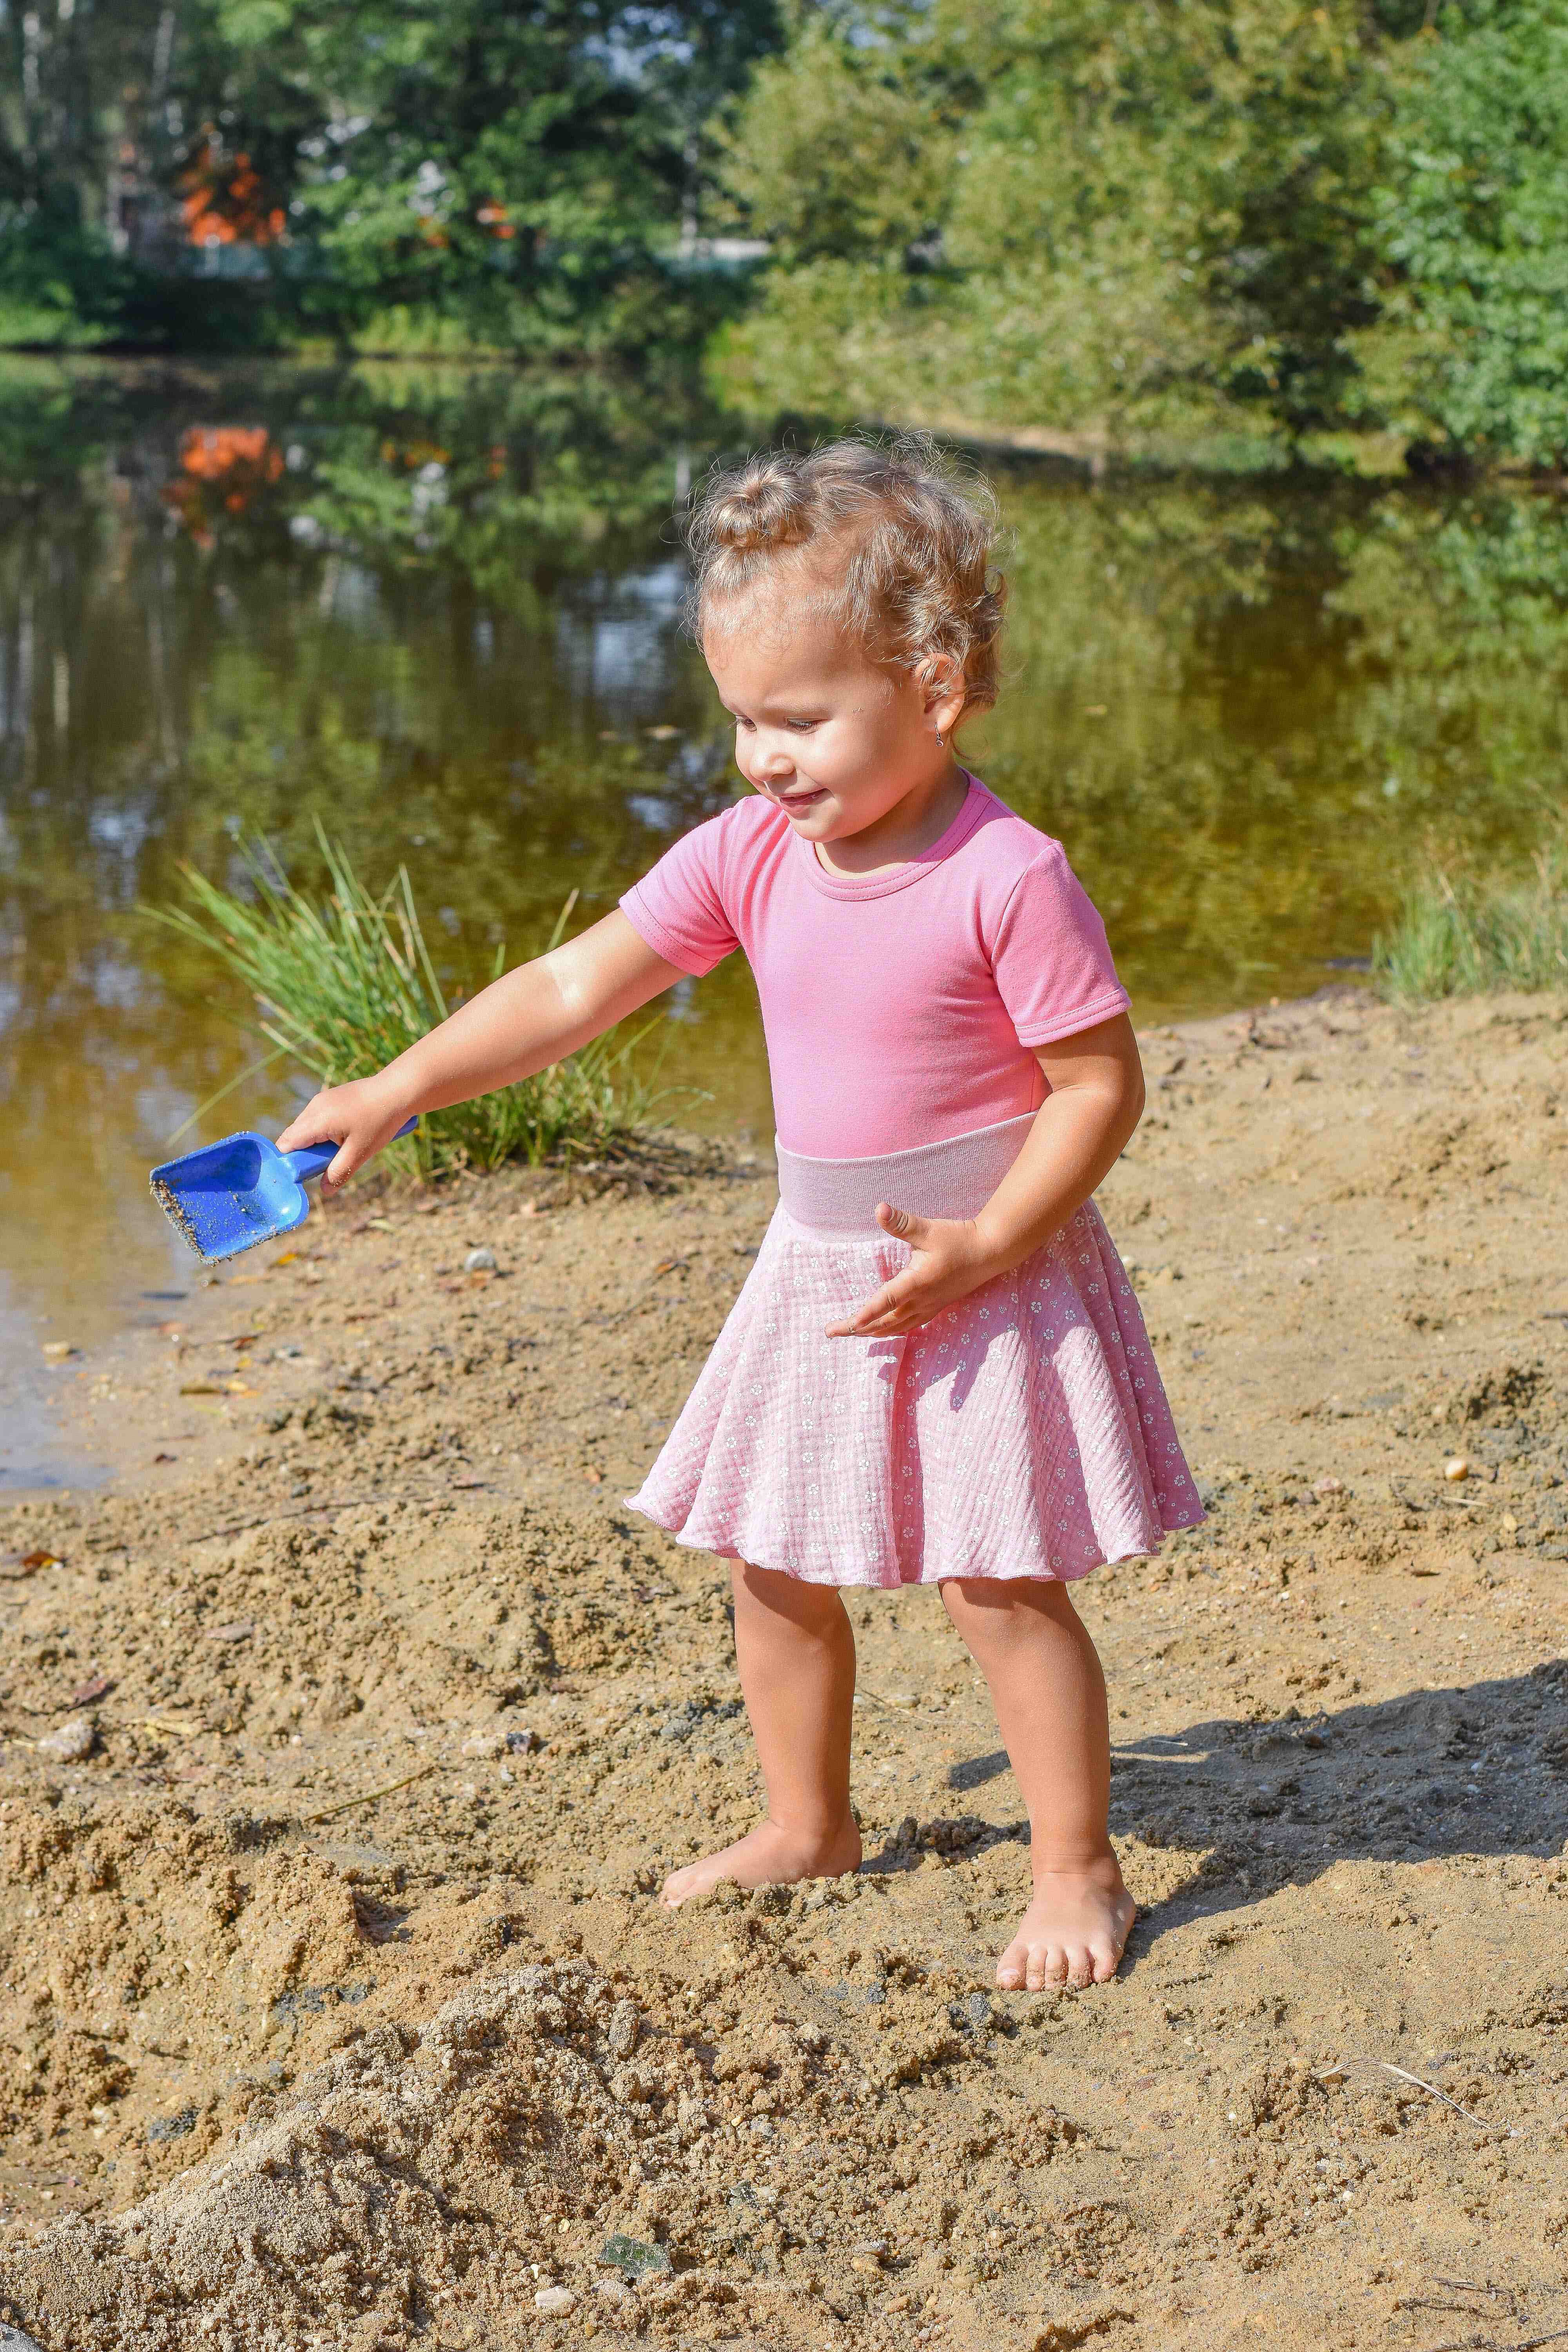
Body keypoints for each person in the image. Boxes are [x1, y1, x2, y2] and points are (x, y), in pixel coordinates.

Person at [276, 435, 1202, 1993]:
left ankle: (1073, 1865)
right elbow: (577, 987)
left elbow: (1097, 1086)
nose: (761, 758)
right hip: (818, 1266)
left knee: (996, 1582)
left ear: (938, 683)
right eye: (737, 722)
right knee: (772, 1564)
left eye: (797, 719)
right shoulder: (750, 854)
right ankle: (806, 1820)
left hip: (979, 1264)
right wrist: (402, 1084)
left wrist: (997, 1239)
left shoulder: (1007, 875)